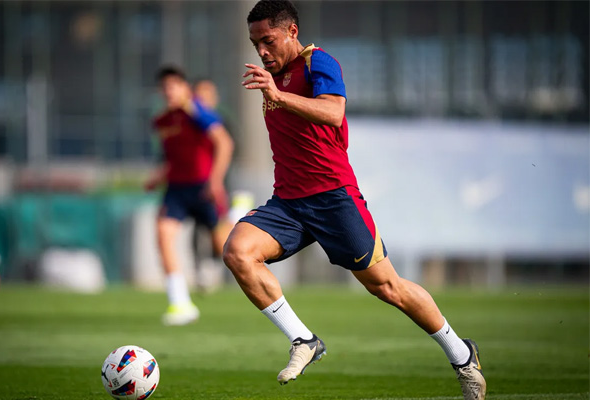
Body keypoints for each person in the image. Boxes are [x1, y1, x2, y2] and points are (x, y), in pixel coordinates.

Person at [222, 1, 486, 399]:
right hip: (289, 202)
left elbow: (333, 112)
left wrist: (280, 96)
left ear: (292, 31)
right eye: (255, 43)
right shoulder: (271, 77)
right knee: (237, 252)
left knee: (388, 288)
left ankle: (462, 354)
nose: (261, 51)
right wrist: (276, 92)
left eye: (268, 40)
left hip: (333, 198)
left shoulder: (319, 63)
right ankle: (304, 341)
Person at [145, 66, 234, 326]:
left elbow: (225, 143)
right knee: (163, 235)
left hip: (204, 189)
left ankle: (239, 216)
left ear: (185, 88)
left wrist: (215, 181)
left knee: (226, 249)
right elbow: (173, 158)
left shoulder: (199, 113)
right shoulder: (162, 121)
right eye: (164, 88)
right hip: (176, 191)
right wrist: (158, 177)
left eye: (173, 86)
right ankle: (180, 303)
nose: (169, 92)